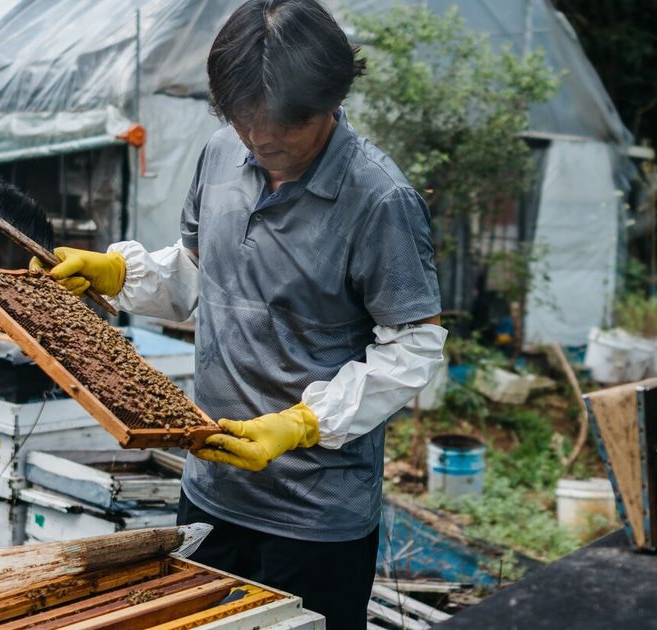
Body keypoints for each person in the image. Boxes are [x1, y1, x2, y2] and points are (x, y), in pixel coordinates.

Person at [31, 0, 446, 625]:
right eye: (247, 119)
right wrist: (120, 274)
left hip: (315, 519)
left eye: (286, 122)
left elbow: (414, 346)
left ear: (333, 98)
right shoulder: (220, 154)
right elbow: (200, 269)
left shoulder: (380, 199)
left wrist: (303, 423)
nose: (264, 138)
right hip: (210, 494)